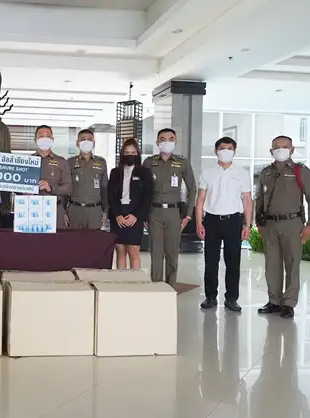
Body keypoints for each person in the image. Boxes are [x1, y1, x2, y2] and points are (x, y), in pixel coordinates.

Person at [255, 135, 310, 319]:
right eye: (277, 146)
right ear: (271, 150)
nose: (280, 149)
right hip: (269, 224)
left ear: (292, 150)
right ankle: (274, 301)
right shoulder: (266, 172)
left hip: (293, 223)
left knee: (292, 264)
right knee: (272, 264)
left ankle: (289, 303)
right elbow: (260, 199)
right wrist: (258, 223)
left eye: (285, 146)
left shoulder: (300, 170)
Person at [196, 137, 253, 312]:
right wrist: (199, 223)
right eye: (222, 148)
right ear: (216, 150)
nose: (226, 151)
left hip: (234, 221)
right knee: (211, 261)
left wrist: (248, 225)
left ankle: (231, 298)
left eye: (229, 148)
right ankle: (210, 296)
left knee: (233, 262)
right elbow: (200, 199)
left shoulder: (242, 173)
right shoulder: (207, 172)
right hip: (212, 221)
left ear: (234, 151)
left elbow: (247, 200)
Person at [142, 128, 196, 285]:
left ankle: (171, 286)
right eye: (163, 139)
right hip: (154, 212)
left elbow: (192, 189)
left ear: (176, 141)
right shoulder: (149, 162)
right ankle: (157, 286)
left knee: (172, 253)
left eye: (171, 139)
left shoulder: (182, 162)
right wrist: (143, 214)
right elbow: (142, 189)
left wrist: (188, 215)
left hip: (174, 213)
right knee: (156, 253)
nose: (167, 142)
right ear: (157, 142)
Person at [108, 138, 152, 269]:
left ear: (137, 154)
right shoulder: (115, 172)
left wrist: (137, 216)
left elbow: (147, 197)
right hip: (118, 216)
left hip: (135, 216)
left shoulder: (144, 173)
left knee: (134, 252)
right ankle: (121, 280)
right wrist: (117, 215)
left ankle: (134, 280)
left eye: (133, 152)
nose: (130, 155)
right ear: (122, 154)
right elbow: (111, 196)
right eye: (126, 153)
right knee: (120, 251)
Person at [66, 129, 109, 229]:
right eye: (82, 139)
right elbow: (66, 188)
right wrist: (64, 211)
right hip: (74, 210)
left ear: (93, 143)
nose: (86, 142)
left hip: (95, 210)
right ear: (77, 143)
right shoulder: (70, 162)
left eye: (89, 139)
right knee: (73, 238)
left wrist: (106, 211)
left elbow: (105, 188)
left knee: (93, 238)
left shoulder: (101, 162)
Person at [32, 125, 72, 229]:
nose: (44, 139)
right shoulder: (27, 161)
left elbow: (68, 187)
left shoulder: (62, 162)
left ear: (52, 139)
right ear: (35, 139)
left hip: (55, 210)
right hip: (32, 209)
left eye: (48, 136)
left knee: (56, 239)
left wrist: (51, 188)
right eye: (41, 136)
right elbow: (17, 188)